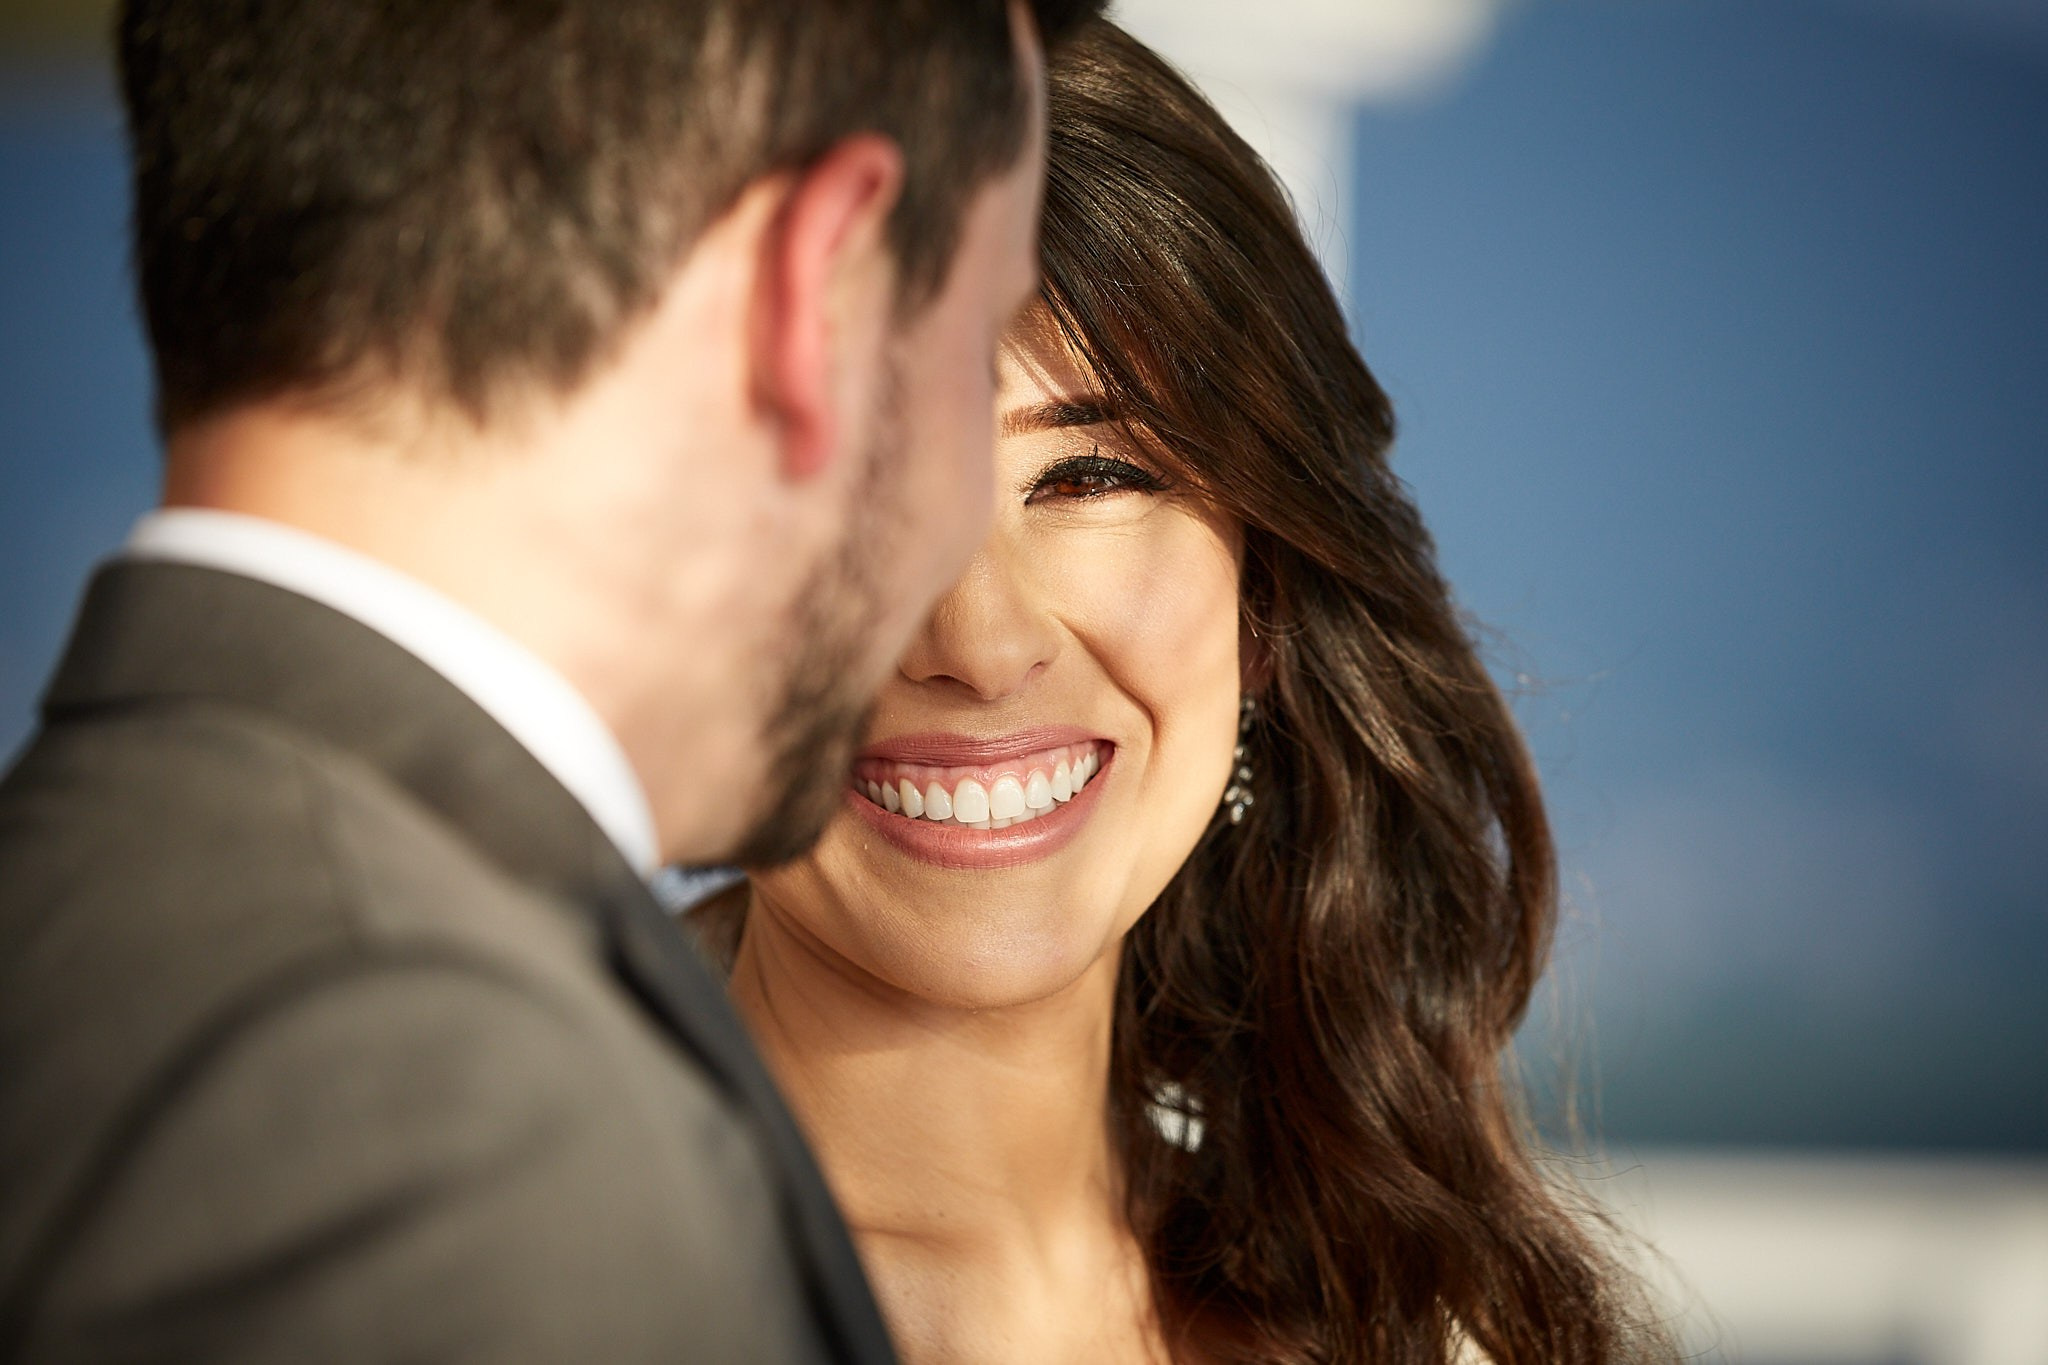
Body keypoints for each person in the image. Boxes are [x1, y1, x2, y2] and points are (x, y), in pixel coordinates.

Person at [0, 0, 1102, 1359]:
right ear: (812, 293)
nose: (976, 613)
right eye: (967, 335)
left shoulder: (109, 892)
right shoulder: (455, 1129)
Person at [692, 18, 1665, 1364]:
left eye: (1093, 476)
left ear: (1266, 596)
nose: (979, 638)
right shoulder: (473, 1277)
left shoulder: (1422, 1318)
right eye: (859, 486)